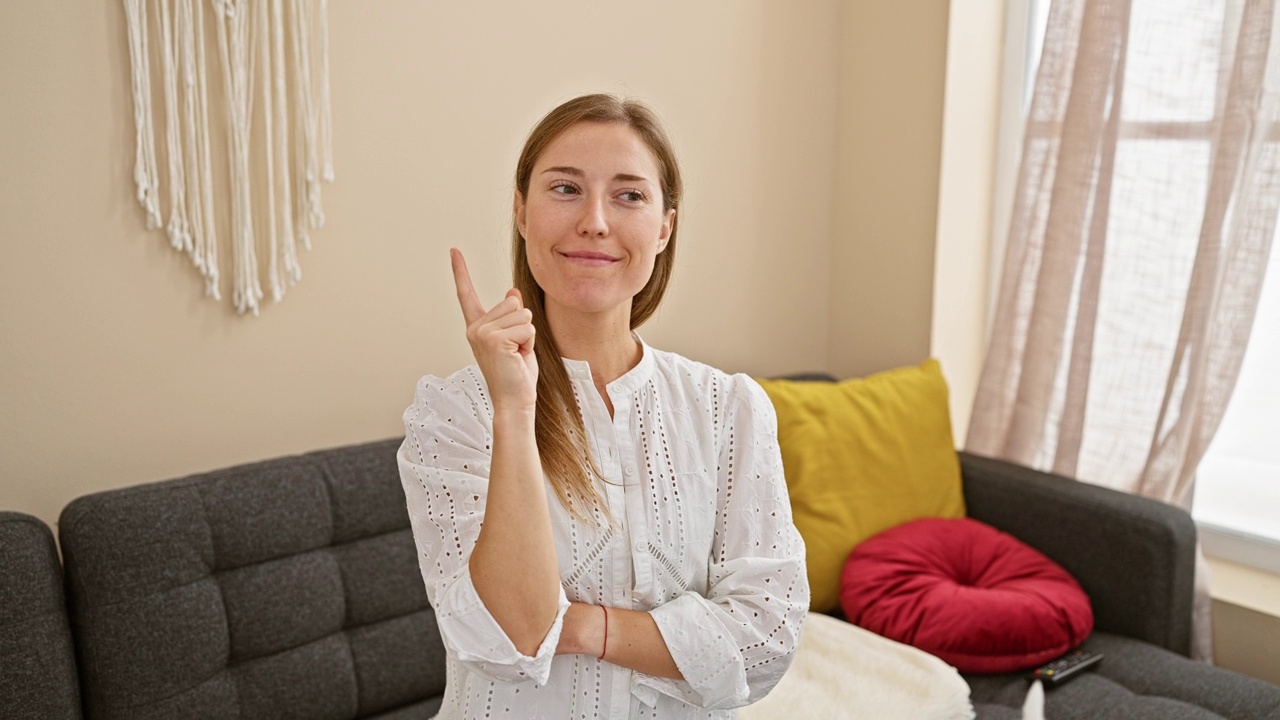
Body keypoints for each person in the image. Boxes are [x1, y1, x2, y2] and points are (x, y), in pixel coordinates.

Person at [398, 93, 808, 719]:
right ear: (521, 211)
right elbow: (509, 639)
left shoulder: (730, 408)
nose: (594, 220)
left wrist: (587, 628)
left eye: (629, 195)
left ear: (665, 225)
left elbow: (765, 643)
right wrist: (513, 407)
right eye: (565, 189)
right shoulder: (455, 414)